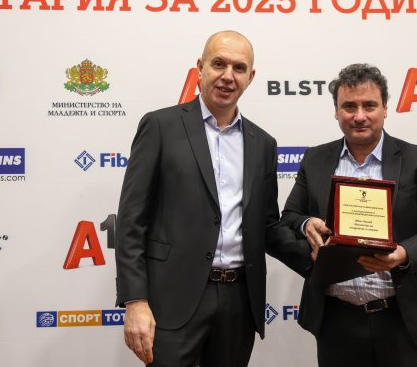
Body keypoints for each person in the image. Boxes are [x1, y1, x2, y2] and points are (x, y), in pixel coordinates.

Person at [115, 30, 311, 367]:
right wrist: (135, 300)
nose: (228, 76)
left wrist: (322, 258)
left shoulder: (263, 143)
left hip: (239, 302)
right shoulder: (160, 126)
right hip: (172, 299)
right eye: (219, 64)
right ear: (200, 67)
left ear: (251, 77)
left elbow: (265, 225)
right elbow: (132, 221)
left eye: (239, 68)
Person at [281, 63, 417, 367]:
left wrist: (402, 254)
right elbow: (290, 216)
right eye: (349, 106)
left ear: (385, 108)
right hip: (338, 321)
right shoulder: (315, 159)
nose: (359, 115)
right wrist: (307, 223)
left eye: (369, 105)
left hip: (405, 319)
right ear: (336, 111)